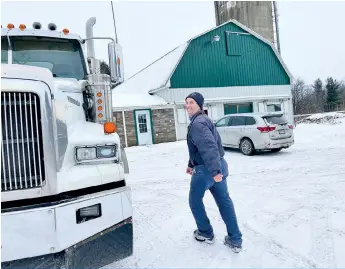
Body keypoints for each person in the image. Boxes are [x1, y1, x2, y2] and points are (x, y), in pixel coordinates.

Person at [185, 92, 243, 253]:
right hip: (218, 166)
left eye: (191, 102)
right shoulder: (203, 120)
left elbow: (209, 146)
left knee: (194, 201)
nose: (188, 105)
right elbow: (199, 148)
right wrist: (191, 164)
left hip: (207, 170)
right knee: (224, 201)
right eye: (186, 103)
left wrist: (214, 170)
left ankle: (205, 233)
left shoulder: (198, 124)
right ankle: (235, 239)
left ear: (199, 105)